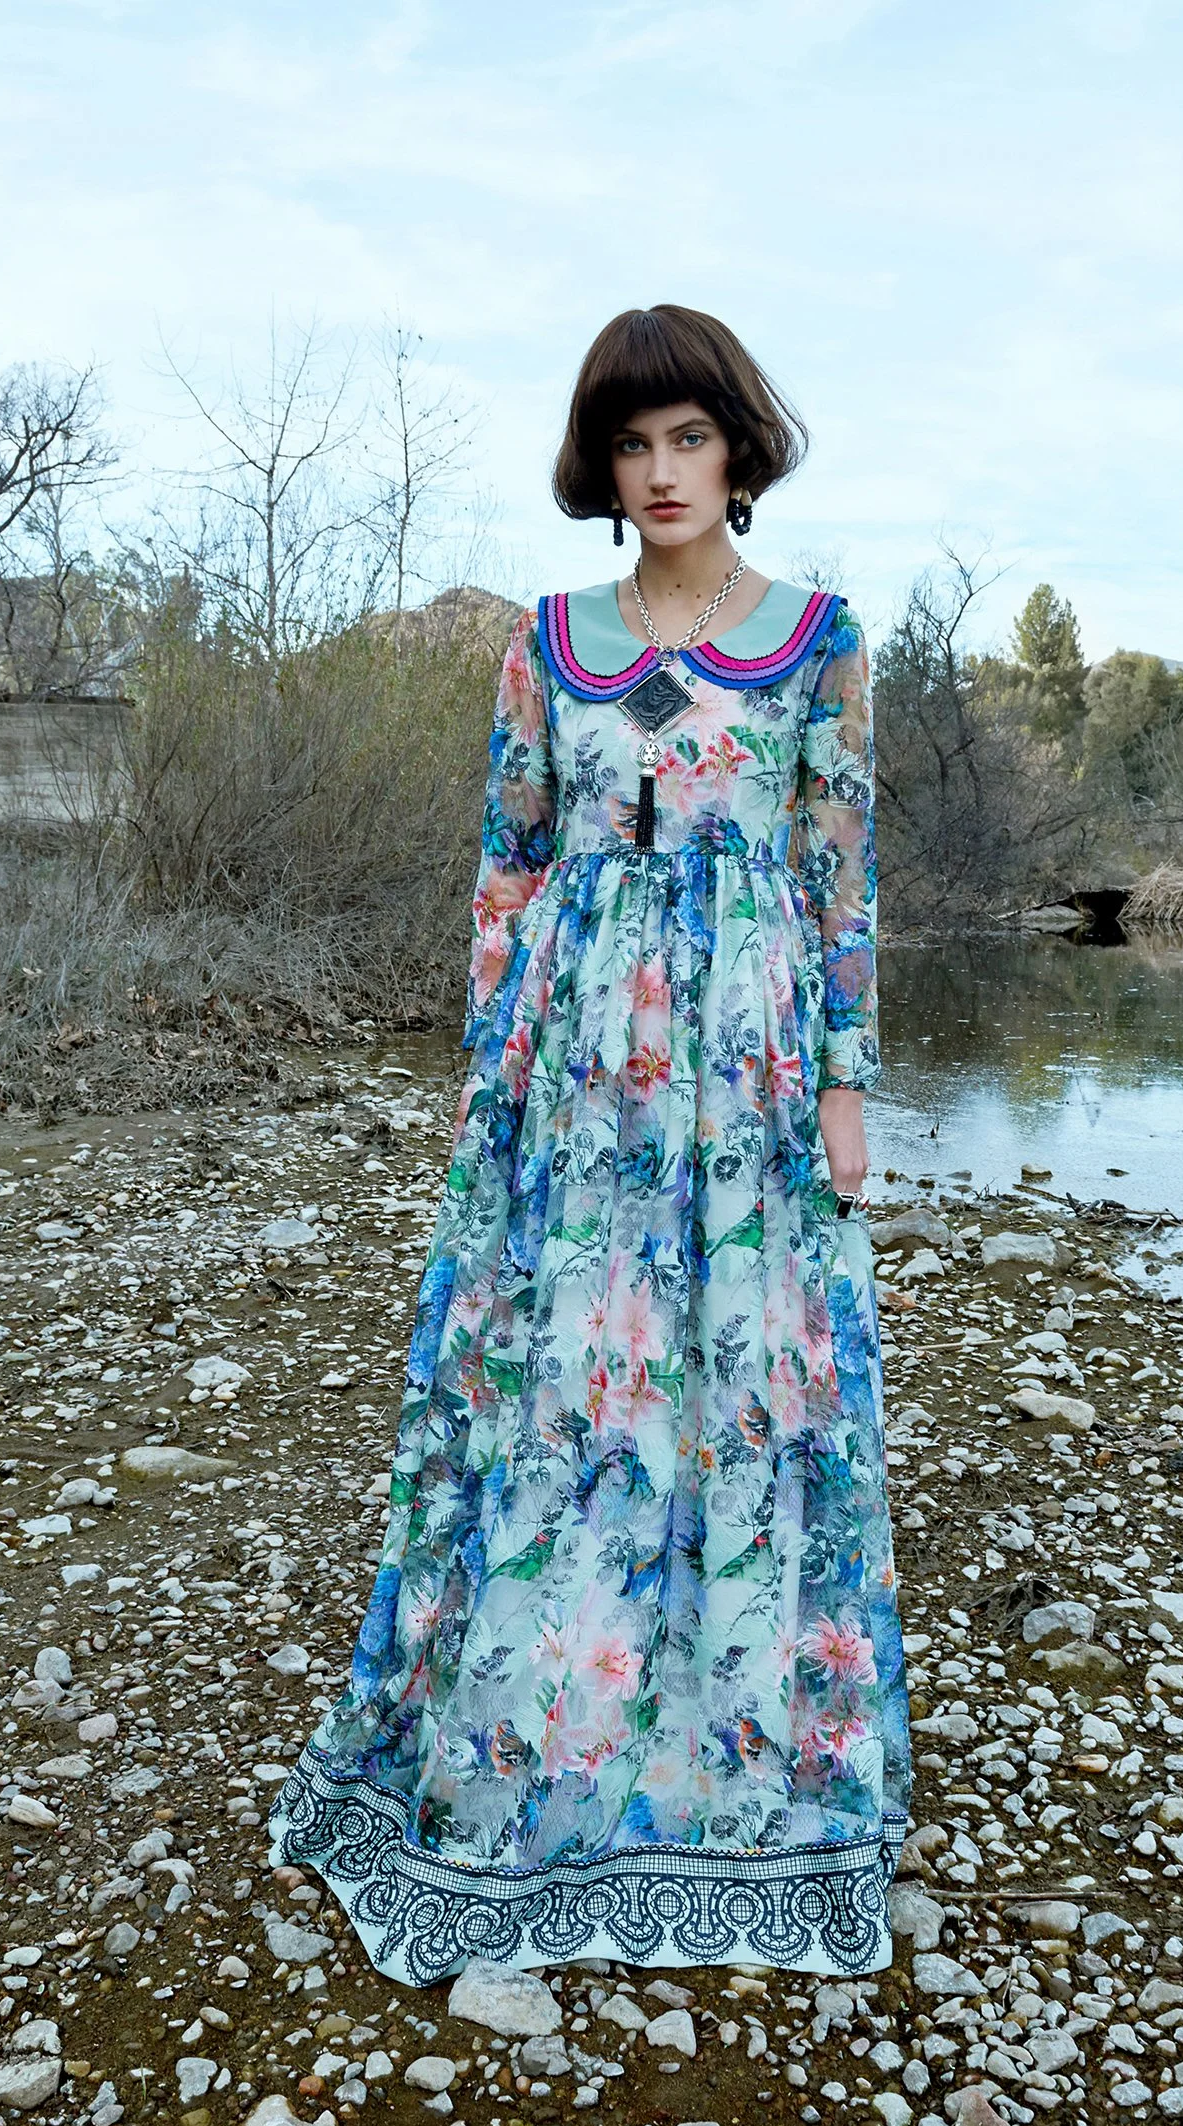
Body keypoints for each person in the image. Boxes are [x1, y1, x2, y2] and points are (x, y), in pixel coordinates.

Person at [268, 305, 910, 1985]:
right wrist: (498, 1073)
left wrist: (847, 1082)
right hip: (579, 1078)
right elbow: (506, 869)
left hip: (751, 1076)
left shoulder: (824, 639)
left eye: (689, 437)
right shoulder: (547, 640)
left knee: (745, 1384)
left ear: (738, 449)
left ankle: (738, 1768)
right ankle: (539, 1747)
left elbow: (841, 880)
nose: (662, 472)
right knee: (571, 1385)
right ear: (601, 466)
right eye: (632, 444)